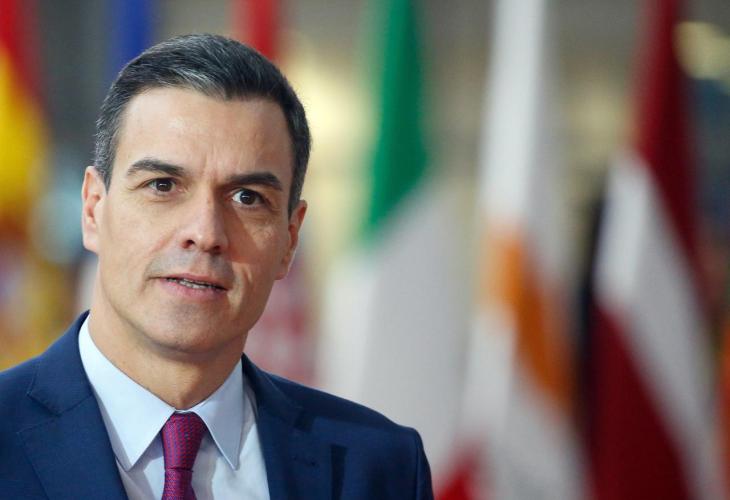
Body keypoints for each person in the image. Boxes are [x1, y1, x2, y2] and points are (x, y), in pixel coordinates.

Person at [0, 33, 433, 500]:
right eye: (163, 185)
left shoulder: (381, 466)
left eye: (248, 198)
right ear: (93, 210)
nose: (205, 233)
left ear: (289, 239)